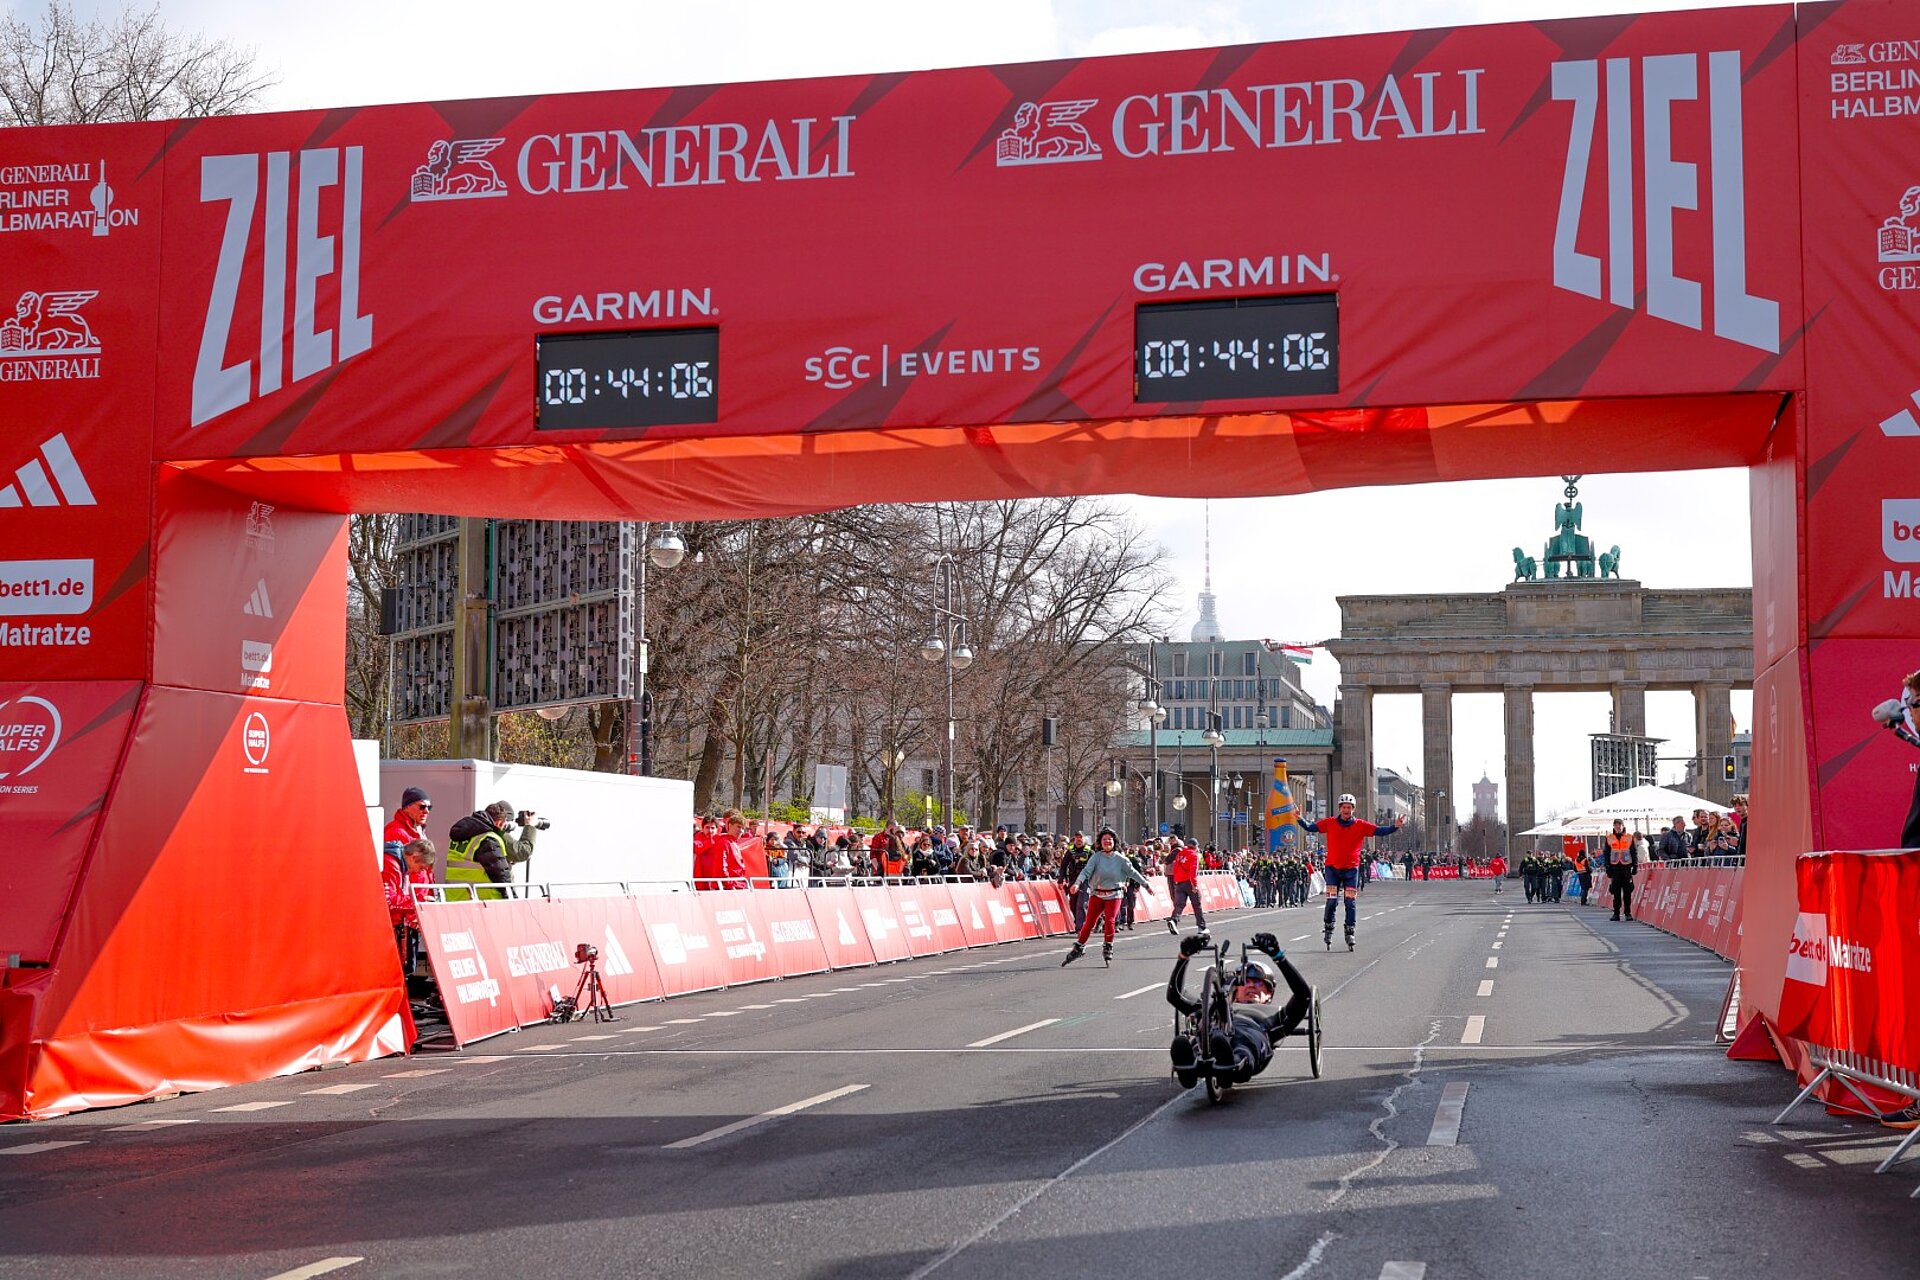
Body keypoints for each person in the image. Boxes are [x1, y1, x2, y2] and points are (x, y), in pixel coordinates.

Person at [1166, 931, 1312, 1088]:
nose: (1251, 986)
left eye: (1258, 983)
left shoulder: (1274, 1015)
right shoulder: (1210, 1006)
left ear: (1269, 995)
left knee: (1244, 1047)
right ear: (1234, 989)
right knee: (1200, 1041)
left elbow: (1303, 996)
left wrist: (1278, 956)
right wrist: (1184, 956)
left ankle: (1231, 1065)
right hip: (1212, 1032)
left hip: (1251, 1033)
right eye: (1246, 982)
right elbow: (1175, 996)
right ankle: (1188, 1068)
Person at [1300, 793, 1404, 949]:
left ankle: (1350, 931)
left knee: (1350, 902)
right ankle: (1328, 927)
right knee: (1331, 901)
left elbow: (1380, 831)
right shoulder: (1330, 823)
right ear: (1340, 808)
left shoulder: (1361, 825)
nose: (1346, 810)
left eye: (1349, 807)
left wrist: (1395, 826)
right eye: (1344, 807)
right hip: (1332, 870)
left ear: (1353, 809)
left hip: (1351, 871)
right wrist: (1299, 818)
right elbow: (1311, 827)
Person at [1061, 827, 1152, 967]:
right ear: (1100, 842)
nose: (1107, 842)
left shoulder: (1121, 859)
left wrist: (1146, 885)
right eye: (1104, 840)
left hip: (1114, 894)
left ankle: (1108, 946)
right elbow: (1086, 871)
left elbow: (1133, 873)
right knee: (1089, 923)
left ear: (1114, 842)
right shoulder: (1096, 857)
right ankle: (1079, 947)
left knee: (1110, 921)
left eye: (1110, 839)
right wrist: (1077, 884)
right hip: (1097, 894)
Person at [446, 800, 539, 899]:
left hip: (455, 899)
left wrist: (504, 860)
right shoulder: (488, 839)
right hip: (482, 902)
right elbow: (501, 874)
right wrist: (513, 898)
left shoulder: (462, 836)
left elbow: (475, 863)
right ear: (499, 823)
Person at [1164, 838, 1208, 935]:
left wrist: (1176, 880)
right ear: (1195, 846)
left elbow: (1175, 868)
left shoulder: (1180, 854)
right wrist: (1194, 885)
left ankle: (1174, 920)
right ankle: (1201, 927)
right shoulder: (1193, 855)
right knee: (1197, 904)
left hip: (1179, 882)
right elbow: (1193, 871)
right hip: (1189, 882)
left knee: (1179, 904)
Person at [1602, 819, 1638, 920]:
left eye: (1619, 825)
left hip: (1626, 867)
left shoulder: (1629, 837)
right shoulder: (1609, 838)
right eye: (1616, 825)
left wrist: (1635, 866)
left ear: (1623, 826)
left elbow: (1633, 852)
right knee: (1616, 892)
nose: (1618, 827)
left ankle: (1627, 913)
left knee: (1627, 892)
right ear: (1613, 827)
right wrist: (1607, 867)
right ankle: (1616, 913)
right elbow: (1606, 853)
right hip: (1615, 868)